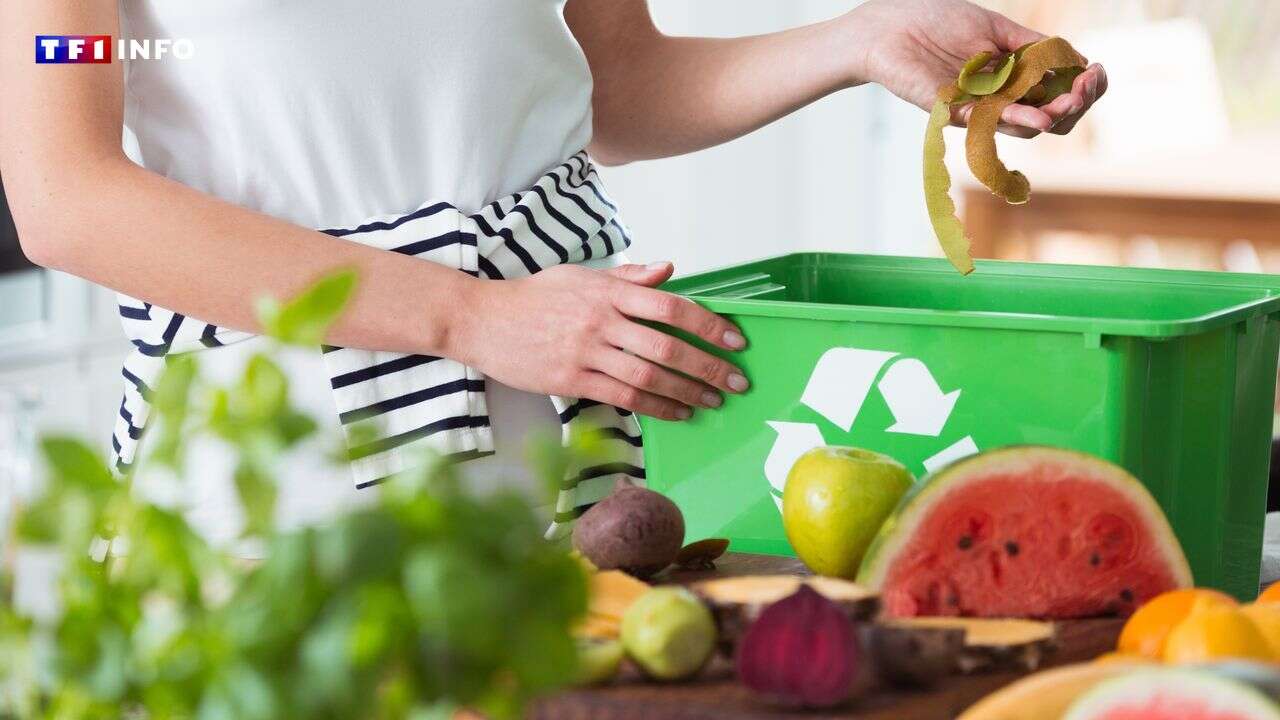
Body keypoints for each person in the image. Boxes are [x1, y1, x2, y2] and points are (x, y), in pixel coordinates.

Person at [0, 0, 1105, 537]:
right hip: (288, 457)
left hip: (570, 422)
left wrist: (859, 42)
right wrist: (466, 316)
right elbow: (67, 194)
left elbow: (616, 86)